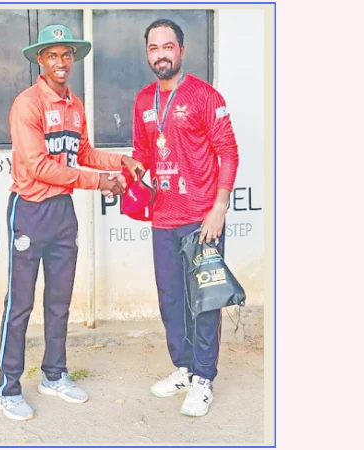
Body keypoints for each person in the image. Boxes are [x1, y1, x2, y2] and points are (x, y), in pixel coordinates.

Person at [0, 24, 144, 421]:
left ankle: (54, 375)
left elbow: (85, 152)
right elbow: (38, 166)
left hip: (63, 213)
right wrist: (99, 182)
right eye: (52, 55)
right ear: (40, 60)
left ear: (72, 60)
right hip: (29, 209)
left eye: (67, 55)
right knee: (20, 305)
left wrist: (121, 161)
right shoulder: (27, 104)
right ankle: (7, 387)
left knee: (59, 302)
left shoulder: (75, 105)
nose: (61, 62)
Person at [126, 18, 240, 417]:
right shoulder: (143, 101)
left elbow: (228, 151)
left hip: (202, 220)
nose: (161, 54)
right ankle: (186, 368)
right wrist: (130, 171)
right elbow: (143, 153)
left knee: (205, 302)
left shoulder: (205, 96)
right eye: (154, 48)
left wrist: (219, 208)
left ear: (181, 51)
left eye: (168, 46)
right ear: (147, 54)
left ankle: (205, 379)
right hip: (163, 219)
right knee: (172, 300)